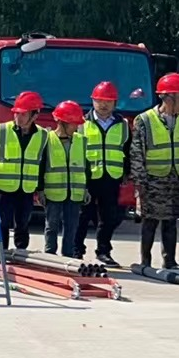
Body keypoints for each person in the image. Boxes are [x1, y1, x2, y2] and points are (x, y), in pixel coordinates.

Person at [132, 73, 179, 270]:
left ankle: (170, 260)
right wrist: (139, 183)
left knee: (171, 221)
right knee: (150, 221)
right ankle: (145, 261)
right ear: (168, 98)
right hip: (153, 180)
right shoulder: (144, 120)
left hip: (176, 179)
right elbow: (137, 153)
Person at [77, 81, 130, 265]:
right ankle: (77, 250)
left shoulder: (122, 124)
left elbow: (127, 150)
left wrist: (127, 172)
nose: (103, 105)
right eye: (99, 100)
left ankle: (104, 251)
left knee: (108, 217)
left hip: (112, 177)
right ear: (93, 101)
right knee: (83, 216)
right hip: (88, 177)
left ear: (115, 103)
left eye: (108, 101)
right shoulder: (82, 123)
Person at [0, 90, 48, 252]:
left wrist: (40, 189)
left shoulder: (43, 135)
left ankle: (21, 252)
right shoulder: (3, 130)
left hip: (26, 189)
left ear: (34, 115)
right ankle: (0, 253)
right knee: (2, 222)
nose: (18, 117)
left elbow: (42, 163)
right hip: (3, 187)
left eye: (23, 114)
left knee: (23, 223)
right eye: (16, 113)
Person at [41, 101, 89, 258]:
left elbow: (86, 167)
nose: (77, 127)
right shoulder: (47, 140)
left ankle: (68, 256)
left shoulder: (81, 141)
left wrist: (86, 189)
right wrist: (40, 190)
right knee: (52, 225)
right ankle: (50, 255)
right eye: (74, 123)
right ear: (62, 122)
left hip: (75, 192)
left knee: (72, 226)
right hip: (53, 192)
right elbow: (41, 166)